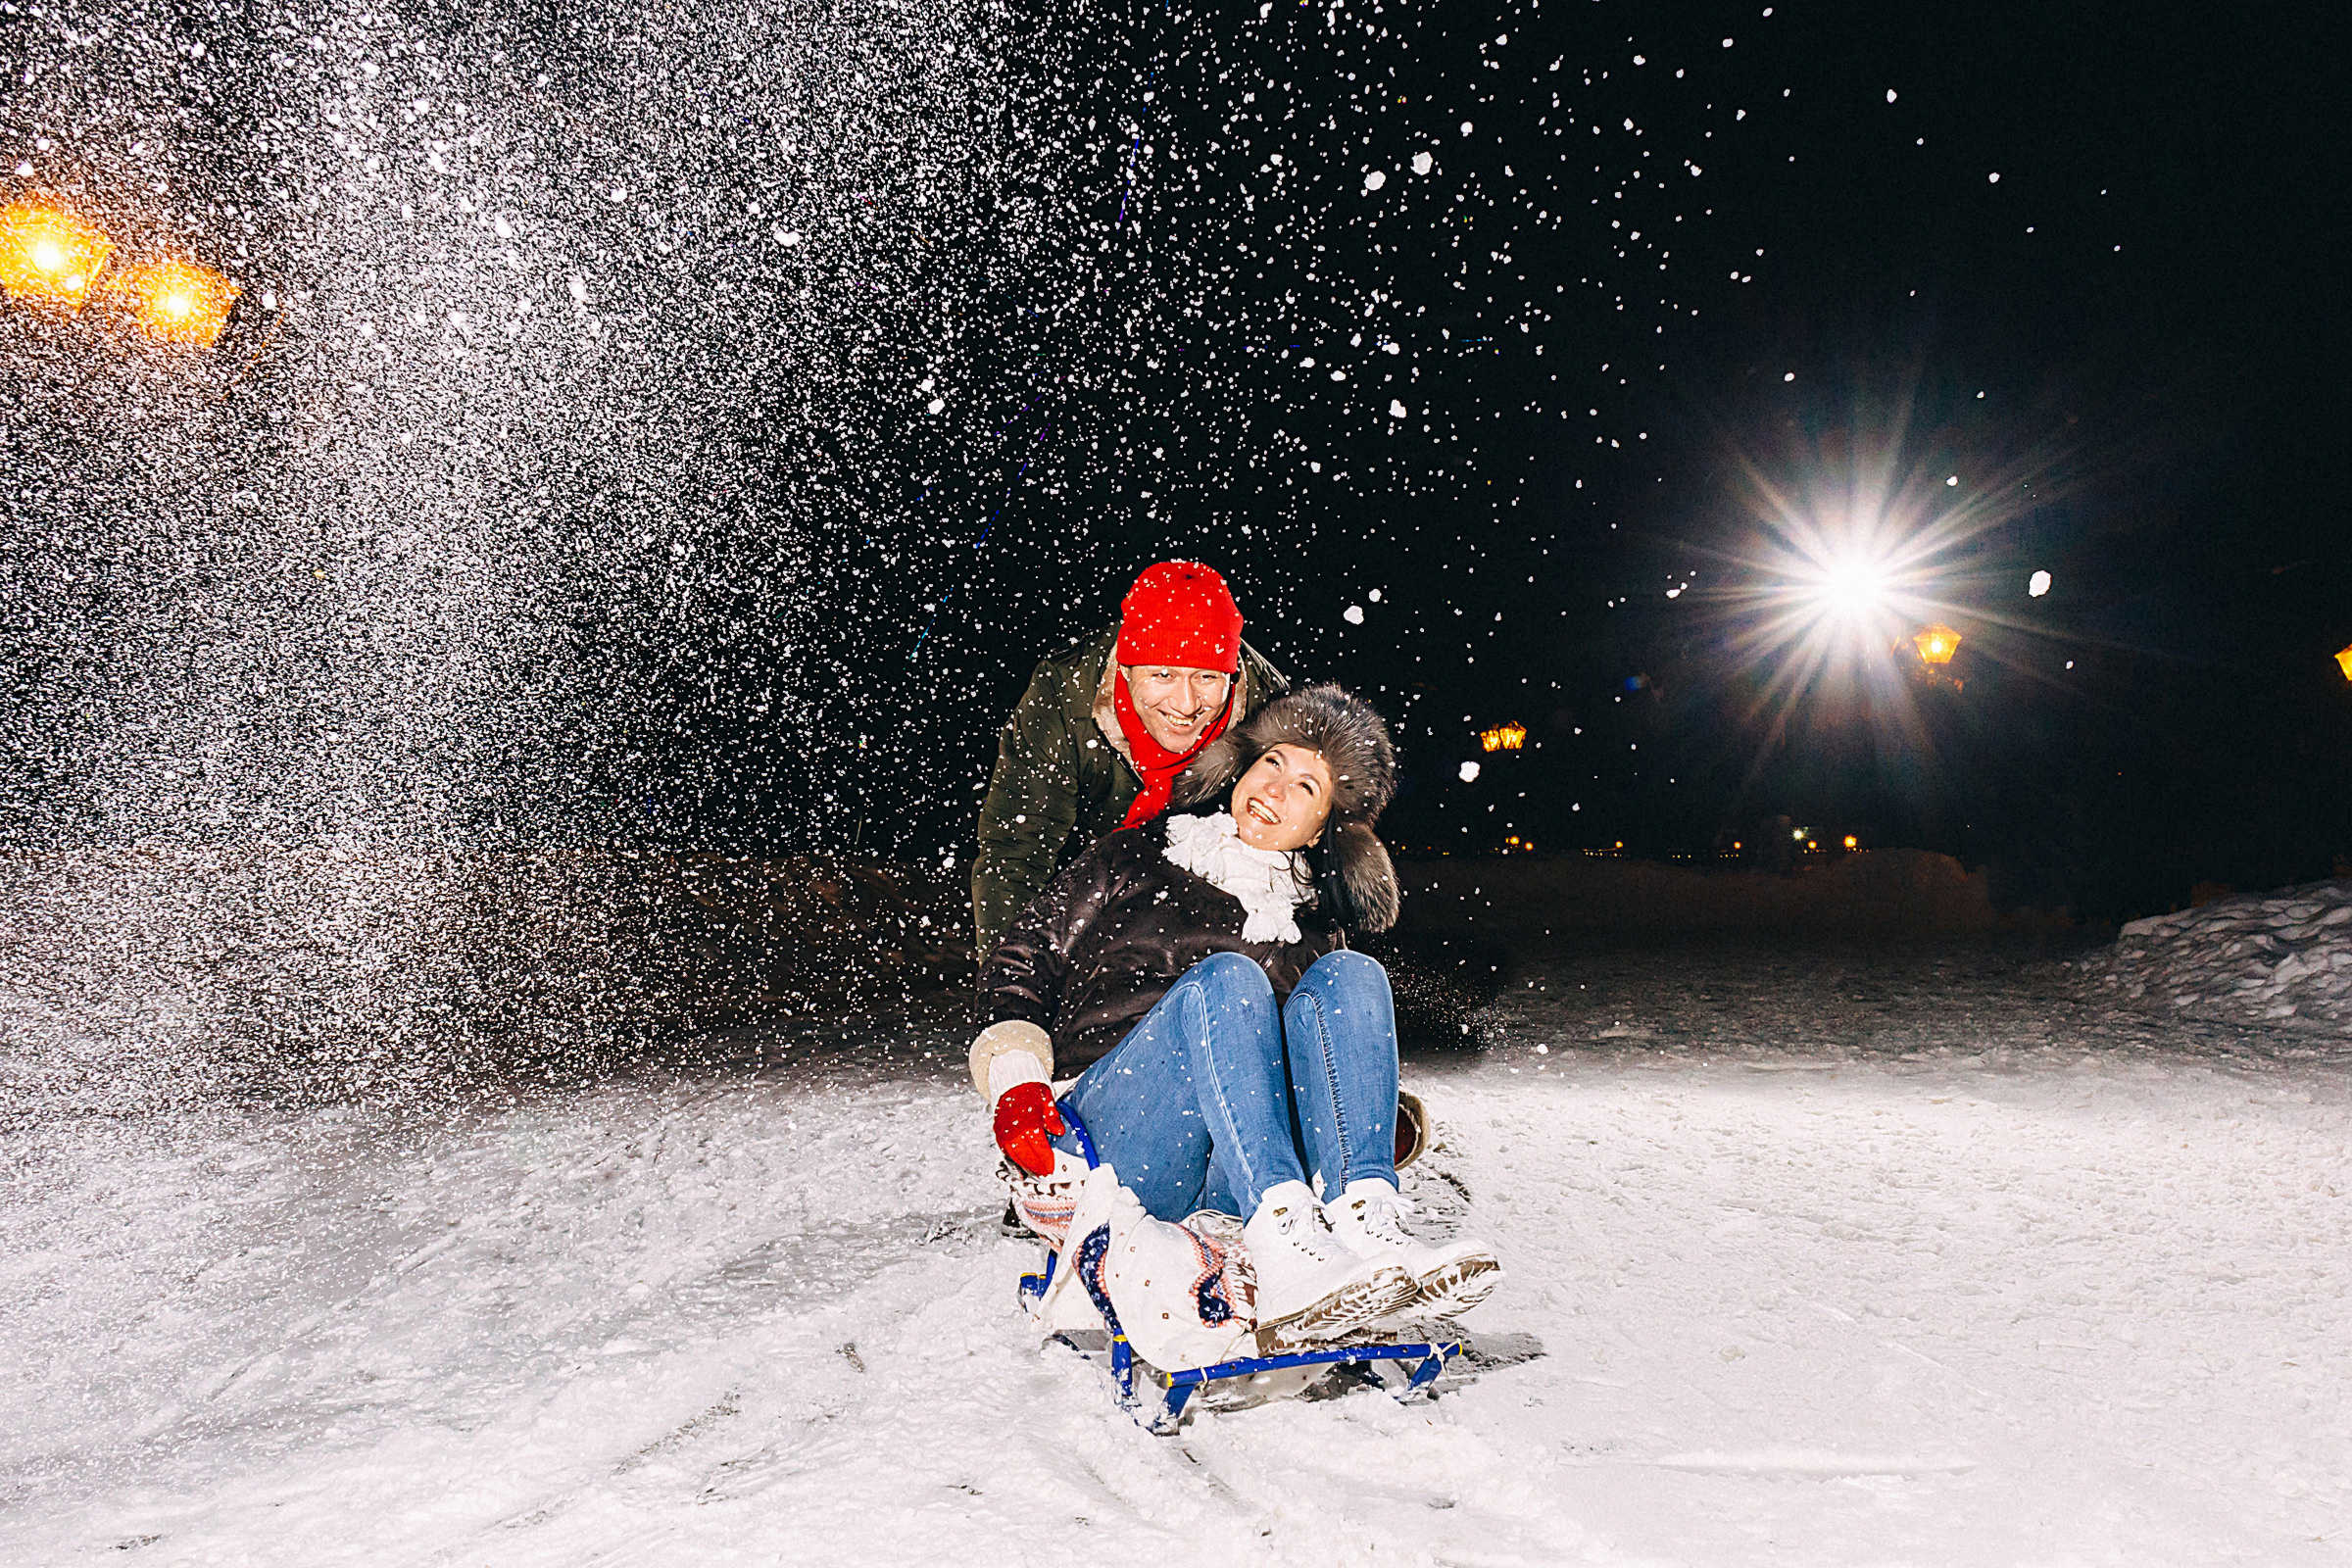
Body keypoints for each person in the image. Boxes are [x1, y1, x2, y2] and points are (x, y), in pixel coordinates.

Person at [971, 684, 1500, 1344]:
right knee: (1228, 981)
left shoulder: (1313, 924)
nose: (1276, 790)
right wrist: (1018, 1081)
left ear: (1325, 827)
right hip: (1120, 1141)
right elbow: (1022, 960)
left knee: (1355, 975)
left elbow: (1300, 1058)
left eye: (1307, 787)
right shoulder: (1134, 855)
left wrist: (1362, 1112)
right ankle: (1282, 1238)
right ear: (1239, 765)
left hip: (1235, 1170)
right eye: (1272, 763)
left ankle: (1369, 1225)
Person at [971, 560, 1288, 955]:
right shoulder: (1064, 697)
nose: (1186, 705)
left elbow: (1308, 857)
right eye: (1163, 676)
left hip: (1213, 907)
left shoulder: (1271, 717)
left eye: (1207, 676)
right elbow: (1015, 854)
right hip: (1080, 891)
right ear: (1126, 667)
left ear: (1232, 673)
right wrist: (1010, 994)